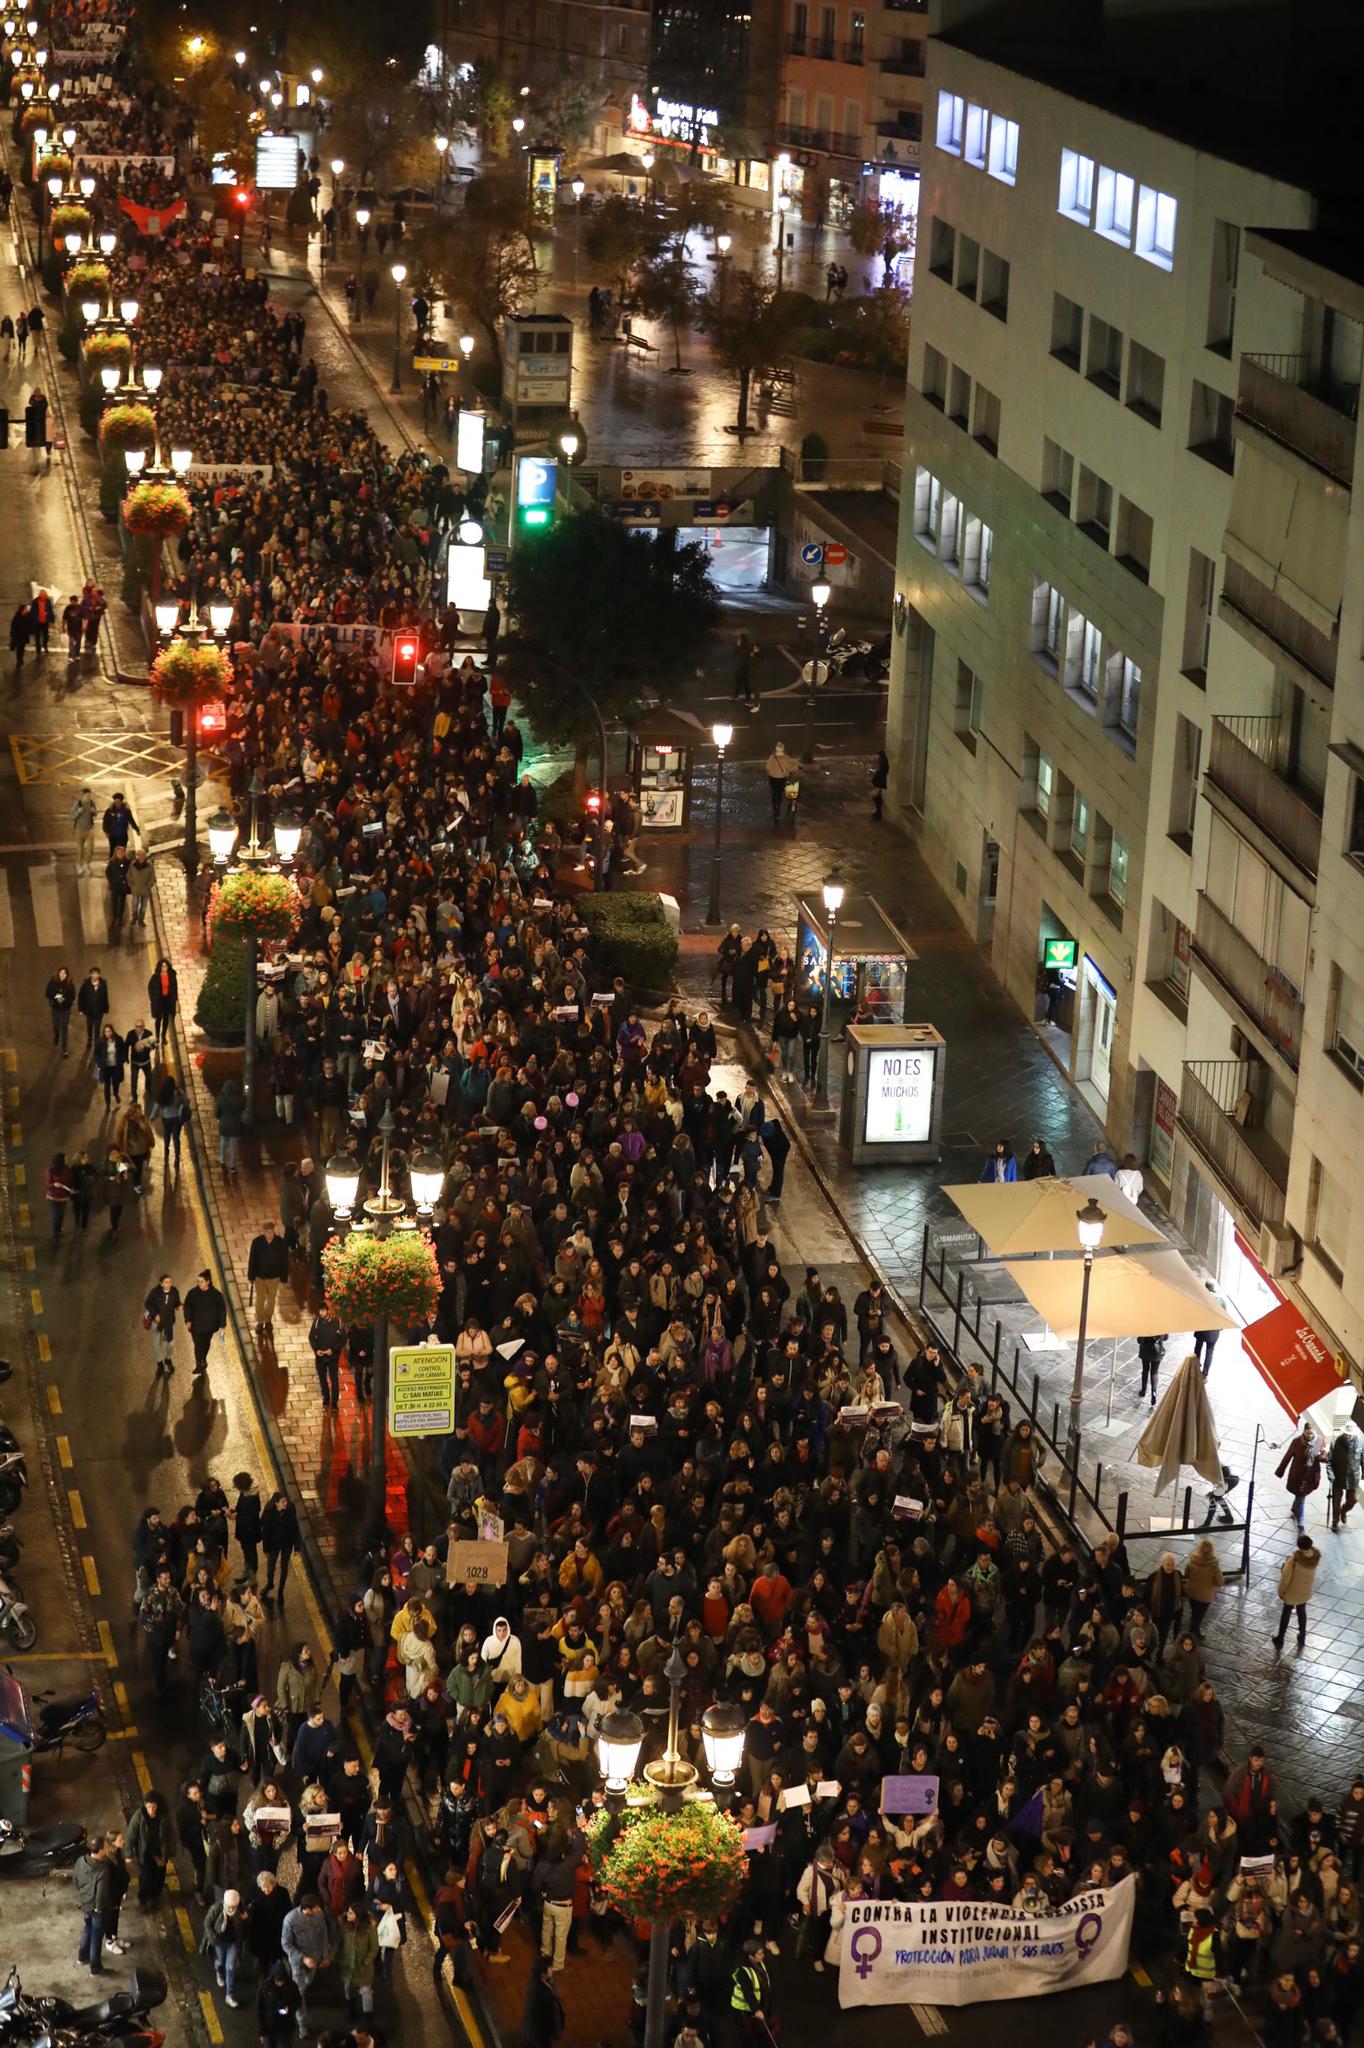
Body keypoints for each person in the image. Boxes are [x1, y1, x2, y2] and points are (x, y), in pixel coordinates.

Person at [1274, 1531, 1321, 1652]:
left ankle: (1280, 1638)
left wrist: (1281, 1591)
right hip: (1305, 1590)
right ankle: (1302, 1636)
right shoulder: (1314, 1557)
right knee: (1302, 1611)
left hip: (1292, 1590)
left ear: (1299, 1546)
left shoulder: (1294, 1560)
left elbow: (1286, 1577)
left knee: (1286, 1613)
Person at [72, 1834, 113, 1975]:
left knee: (87, 1928)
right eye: (105, 1848)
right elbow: (101, 1893)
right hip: (97, 1908)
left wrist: (82, 1897)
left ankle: (82, 1956)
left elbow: (75, 1880)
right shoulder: (102, 1870)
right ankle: (95, 1968)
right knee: (96, 1936)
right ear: (100, 1851)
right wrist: (99, 1908)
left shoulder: (80, 1861)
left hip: (85, 1904)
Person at [1277, 1422, 1324, 1530]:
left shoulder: (1320, 1440)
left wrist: (1323, 1458)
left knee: (1300, 1495)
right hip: (1298, 1475)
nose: (1309, 1436)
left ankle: (1294, 1508)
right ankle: (1301, 1523)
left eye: (1311, 1433)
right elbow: (1287, 1456)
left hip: (1311, 1475)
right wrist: (1280, 1471)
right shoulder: (1297, 1442)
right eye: (1307, 1433)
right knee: (1301, 1497)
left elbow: (1323, 1457)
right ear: (1304, 1431)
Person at [183, 1268, 227, 1377]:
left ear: (208, 1282)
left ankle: (203, 1359)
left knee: (206, 1344)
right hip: (196, 1327)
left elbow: (222, 1310)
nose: (199, 1284)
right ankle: (199, 1364)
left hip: (209, 1327)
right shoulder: (192, 1293)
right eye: (198, 1281)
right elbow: (187, 1306)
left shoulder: (216, 1295)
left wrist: (222, 1325)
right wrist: (188, 1320)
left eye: (201, 1282)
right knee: (198, 1344)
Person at [248, 1219, 289, 1332]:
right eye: (267, 1232)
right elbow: (252, 1260)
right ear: (264, 1232)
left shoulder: (280, 1243)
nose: (269, 1234)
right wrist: (251, 1276)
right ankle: (260, 1322)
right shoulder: (256, 1242)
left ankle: (268, 1320)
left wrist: (284, 1276)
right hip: (259, 1277)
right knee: (260, 1299)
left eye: (271, 1231)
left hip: (274, 1277)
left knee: (271, 1299)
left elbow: (284, 1261)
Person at [522, 1951, 566, 2048]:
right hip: (539, 2034)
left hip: (540, 2032)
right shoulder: (539, 1992)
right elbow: (550, 2012)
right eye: (550, 1968)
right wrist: (556, 2031)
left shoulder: (543, 1982)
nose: (552, 1970)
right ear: (543, 1973)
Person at [144, 1274, 181, 1377]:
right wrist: (155, 1314)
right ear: (161, 1284)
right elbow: (147, 1303)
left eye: (170, 1282)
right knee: (157, 1343)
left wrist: (179, 1306)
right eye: (166, 1282)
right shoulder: (155, 1293)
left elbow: (177, 1303)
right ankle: (160, 1363)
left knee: (170, 1342)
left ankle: (168, 1359)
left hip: (169, 1322)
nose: (169, 1284)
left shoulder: (174, 1291)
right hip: (157, 1323)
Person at [1330, 1426, 1362, 1532]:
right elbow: (1330, 1461)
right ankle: (1335, 1521)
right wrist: (1331, 1475)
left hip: (1353, 1478)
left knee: (1353, 1499)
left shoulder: (1361, 1442)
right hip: (1338, 1476)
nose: (1347, 1436)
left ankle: (1343, 1511)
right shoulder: (1335, 1442)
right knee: (1336, 1501)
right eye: (1345, 1434)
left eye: (1349, 1434)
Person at [77, 966, 110, 1053]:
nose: (95, 975)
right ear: (90, 975)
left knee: (97, 1027)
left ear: (99, 975)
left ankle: (96, 1042)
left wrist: (106, 1008)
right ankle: (89, 1038)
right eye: (93, 974)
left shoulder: (103, 984)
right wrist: (80, 1009)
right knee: (89, 1026)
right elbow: (81, 997)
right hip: (89, 1011)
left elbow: (105, 997)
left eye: (96, 974)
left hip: (99, 1011)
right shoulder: (86, 985)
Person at [148, 958, 179, 1048]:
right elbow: (150, 988)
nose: (164, 968)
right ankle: (157, 1036)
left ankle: (163, 1036)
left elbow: (174, 989)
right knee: (158, 1019)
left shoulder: (171, 976)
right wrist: (153, 999)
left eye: (166, 966)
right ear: (160, 967)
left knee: (166, 1019)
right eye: (163, 966)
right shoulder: (155, 977)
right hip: (159, 1001)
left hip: (168, 1001)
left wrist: (175, 1000)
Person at [46, 966, 76, 1055]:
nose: (62, 975)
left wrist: (63, 999)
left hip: (65, 1009)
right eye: (61, 973)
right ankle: (56, 1035)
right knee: (56, 1026)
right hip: (55, 1008)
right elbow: (48, 993)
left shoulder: (70, 984)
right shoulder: (53, 982)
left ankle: (64, 1048)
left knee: (64, 1028)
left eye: (64, 973)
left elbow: (72, 997)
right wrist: (59, 997)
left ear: (67, 975)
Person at [71, 788, 97, 873]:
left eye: (89, 795)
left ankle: (87, 865)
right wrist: (78, 812)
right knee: (80, 849)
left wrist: (94, 812)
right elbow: (72, 816)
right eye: (87, 795)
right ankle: (80, 865)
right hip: (79, 830)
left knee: (90, 848)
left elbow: (95, 814)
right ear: (83, 796)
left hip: (89, 829)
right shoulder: (78, 804)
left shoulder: (92, 803)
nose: (89, 797)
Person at [1137, 1334, 1166, 1407]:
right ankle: (1154, 1392)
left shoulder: (1146, 1326)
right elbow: (1166, 1338)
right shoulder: (1163, 1326)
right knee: (1154, 1372)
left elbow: (1139, 1339)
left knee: (1145, 1370)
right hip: (1157, 1351)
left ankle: (1143, 1390)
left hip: (1145, 1351)